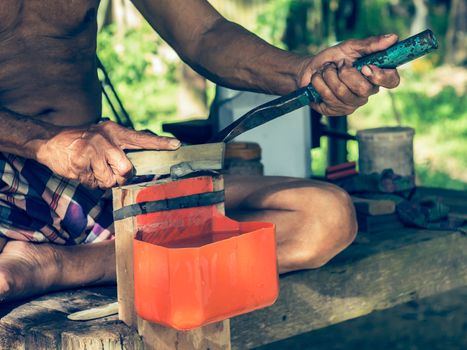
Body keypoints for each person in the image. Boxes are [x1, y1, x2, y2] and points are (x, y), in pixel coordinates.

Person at [0, 0, 400, 302]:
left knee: (324, 217)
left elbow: (204, 34)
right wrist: (44, 141)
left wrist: (301, 73)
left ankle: (58, 265)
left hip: (98, 168)